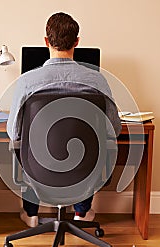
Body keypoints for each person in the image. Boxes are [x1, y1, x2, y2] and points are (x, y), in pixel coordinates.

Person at [7, 12, 121, 227]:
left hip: (39, 168)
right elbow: (113, 129)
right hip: (84, 168)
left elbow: (14, 132)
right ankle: (81, 212)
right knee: (90, 146)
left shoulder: (27, 81)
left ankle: (31, 212)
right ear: (77, 42)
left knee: (28, 145)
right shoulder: (97, 80)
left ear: (46, 42)